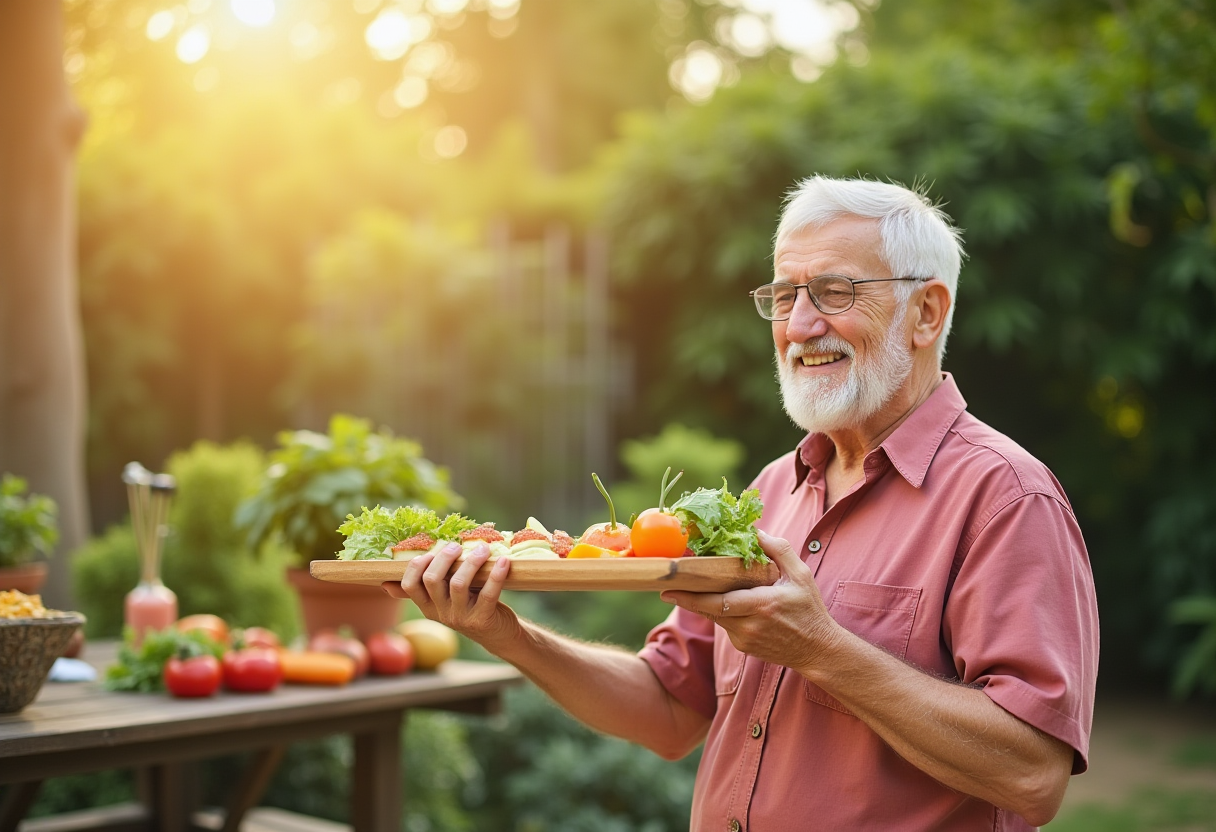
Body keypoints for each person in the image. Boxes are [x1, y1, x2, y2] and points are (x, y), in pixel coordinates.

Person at [396, 176, 1099, 831]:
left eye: (834, 291)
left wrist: (823, 650)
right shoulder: (771, 491)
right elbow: (670, 708)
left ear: (925, 312)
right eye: (785, 295)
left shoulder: (1006, 496)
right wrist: (506, 633)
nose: (798, 326)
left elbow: (1033, 774)